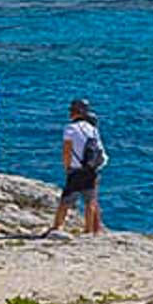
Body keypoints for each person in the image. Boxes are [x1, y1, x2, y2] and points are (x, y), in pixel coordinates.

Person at [47, 98, 107, 236]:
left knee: (66, 200)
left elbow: (67, 150)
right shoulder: (92, 129)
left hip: (76, 169)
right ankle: (89, 229)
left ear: (75, 112)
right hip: (90, 168)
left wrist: (66, 167)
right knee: (90, 200)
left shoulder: (70, 129)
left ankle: (57, 226)